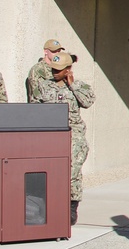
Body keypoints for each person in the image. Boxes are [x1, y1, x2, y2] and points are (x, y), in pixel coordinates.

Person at [30, 51, 95, 225]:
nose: (55, 72)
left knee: (72, 171)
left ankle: (71, 207)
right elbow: (34, 110)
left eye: (59, 69)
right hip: (50, 135)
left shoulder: (79, 86)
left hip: (73, 134)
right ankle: (50, 205)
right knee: (49, 171)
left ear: (68, 69)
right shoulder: (43, 86)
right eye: (53, 69)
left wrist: (73, 86)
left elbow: (88, 102)